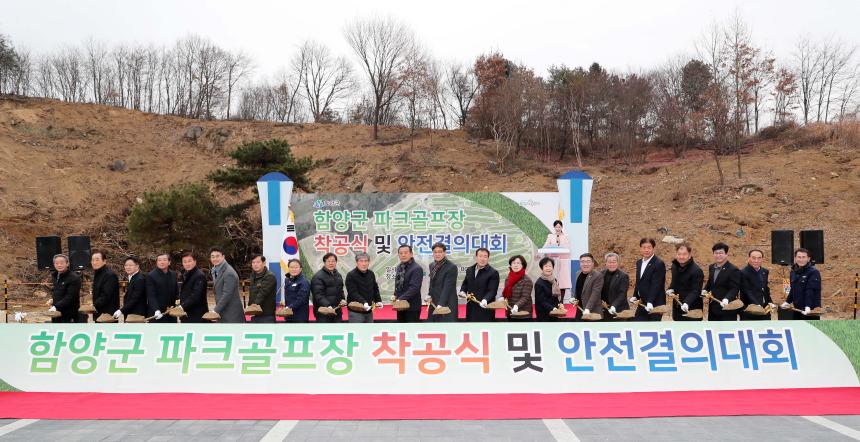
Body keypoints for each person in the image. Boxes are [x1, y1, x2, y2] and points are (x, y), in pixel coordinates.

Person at [704, 242, 741, 321]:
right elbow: (711, 282)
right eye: (716, 253)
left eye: (721, 253)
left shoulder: (733, 270)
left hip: (727, 308)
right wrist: (704, 290)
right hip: (713, 308)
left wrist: (727, 299)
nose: (718, 255)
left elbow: (734, 288)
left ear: (726, 254)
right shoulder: (712, 267)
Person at [631, 238, 666, 321]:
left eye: (649, 247)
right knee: (638, 325)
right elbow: (639, 281)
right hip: (642, 303)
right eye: (644, 247)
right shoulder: (639, 262)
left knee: (652, 328)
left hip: (655, 304)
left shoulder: (658, 263)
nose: (646, 250)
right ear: (640, 248)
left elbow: (656, 284)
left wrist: (650, 301)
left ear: (653, 248)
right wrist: (635, 295)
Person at [461, 248, 500, 322]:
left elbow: (492, 291)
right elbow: (465, 283)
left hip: (485, 308)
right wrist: (462, 291)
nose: (482, 259)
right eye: (480, 256)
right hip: (471, 307)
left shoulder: (493, 272)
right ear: (476, 257)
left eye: (485, 256)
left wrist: (485, 299)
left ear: (488, 258)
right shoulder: (470, 270)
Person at [668, 243, 704, 321]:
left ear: (689, 255)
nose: (681, 257)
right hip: (677, 307)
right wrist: (670, 288)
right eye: (679, 254)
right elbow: (674, 281)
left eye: (684, 254)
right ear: (676, 254)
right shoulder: (674, 266)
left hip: (692, 309)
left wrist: (687, 303)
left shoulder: (697, 271)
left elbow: (696, 291)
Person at [783, 248, 821, 320]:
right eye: (799, 257)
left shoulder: (813, 272)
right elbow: (793, 289)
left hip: (810, 310)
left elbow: (811, 290)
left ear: (808, 259)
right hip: (797, 309)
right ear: (795, 258)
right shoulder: (793, 272)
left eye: (804, 257)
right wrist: (787, 302)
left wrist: (808, 306)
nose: (801, 259)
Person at [209, 247, 245, 323]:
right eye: (213, 256)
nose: (215, 259)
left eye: (217, 256)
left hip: (231, 314)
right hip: (223, 312)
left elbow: (227, 294)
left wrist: (215, 311)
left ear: (223, 257)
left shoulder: (229, 273)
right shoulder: (215, 270)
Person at [345, 252, 382, 323]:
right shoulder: (351, 275)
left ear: (369, 262)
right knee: (357, 332)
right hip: (356, 310)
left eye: (366, 261)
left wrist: (378, 301)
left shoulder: (371, 274)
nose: (364, 264)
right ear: (357, 262)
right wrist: (364, 302)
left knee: (369, 332)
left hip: (368, 310)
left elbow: (375, 288)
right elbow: (353, 293)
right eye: (361, 261)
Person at [426, 243, 458, 322]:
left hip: (447, 303)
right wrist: (429, 295)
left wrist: (441, 304)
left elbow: (447, 288)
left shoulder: (451, 267)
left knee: (448, 329)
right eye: (435, 252)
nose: (437, 254)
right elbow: (432, 283)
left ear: (444, 253)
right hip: (434, 302)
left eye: (440, 252)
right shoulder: (432, 265)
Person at [740, 249, 773, 321]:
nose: (756, 261)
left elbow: (765, 289)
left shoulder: (764, 271)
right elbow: (746, 290)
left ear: (762, 259)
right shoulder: (743, 272)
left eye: (759, 258)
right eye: (753, 258)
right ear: (749, 258)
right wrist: (757, 304)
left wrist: (770, 302)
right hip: (750, 310)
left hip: (764, 310)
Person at [311, 253, 345, 323]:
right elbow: (318, 295)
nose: (331, 263)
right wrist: (328, 306)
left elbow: (341, 290)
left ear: (336, 262)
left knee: (338, 332)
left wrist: (343, 299)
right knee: (325, 332)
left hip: (337, 311)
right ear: (324, 263)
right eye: (328, 261)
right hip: (324, 312)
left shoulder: (338, 275)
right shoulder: (318, 276)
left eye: (333, 261)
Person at [47, 254, 81, 323]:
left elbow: (70, 297)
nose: (59, 265)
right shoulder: (55, 276)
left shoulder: (74, 278)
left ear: (67, 264)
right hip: (56, 312)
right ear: (54, 264)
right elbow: (59, 292)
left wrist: (55, 307)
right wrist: (53, 299)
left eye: (62, 263)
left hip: (69, 314)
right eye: (57, 263)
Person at [393, 245, 423, 323]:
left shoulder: (416, 268)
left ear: (411, 254)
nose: (403, 255)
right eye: (401, 253)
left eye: (406, 253)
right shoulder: (400, 267)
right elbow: (398, 284)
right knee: (401, 330)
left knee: (411, 331)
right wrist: (395, 295)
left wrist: (400, 299)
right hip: (400, 306)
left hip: (412, 307)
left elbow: (414, 288)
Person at [543, 220, 572, 299]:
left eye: (559, 227)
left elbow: (568, 248)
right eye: (556, 227)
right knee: (553, 280)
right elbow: (545, 246)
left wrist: (560, 244)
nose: (557, 228)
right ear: (554, 227)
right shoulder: (550, 236)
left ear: (562, 227)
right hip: (553, 260)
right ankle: (553, 299)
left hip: (563, 261)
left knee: (563, 281)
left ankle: (561, 301)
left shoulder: (566, 236)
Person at [146, 252, 178, 323]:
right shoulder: (151, 275)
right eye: (159, 260)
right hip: (157, 313)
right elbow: (151, 295)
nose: (162, 262)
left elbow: (176, 292)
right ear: (157, 262)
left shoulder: (173, 274)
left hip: (171, 311)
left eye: (164, 260)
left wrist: (178, 303)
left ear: (169, 262)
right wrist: (156, 310)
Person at [114, 256, 147, 320]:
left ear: (137, 266)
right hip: (131, 313)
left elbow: (135, 298)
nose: (128, 267)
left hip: (137, 314)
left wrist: (121, 310)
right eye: (126, 265)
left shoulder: (140, 279)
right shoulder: (132, 277)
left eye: (130, 265)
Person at [179, 252, 208, 323]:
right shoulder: (186, 274)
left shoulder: (199, 275)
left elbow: (196, 295)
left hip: (197, 314)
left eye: (189, 261)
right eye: (184, 262)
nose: (187, 264)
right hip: (187, 313)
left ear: (195, 261)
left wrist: (182, 307)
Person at [573, 253, 604, 319]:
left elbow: (595, 294)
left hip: (593, 312)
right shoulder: (578, 273)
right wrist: (574, 299)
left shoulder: (598, 276)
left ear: (593, 263)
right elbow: (578, 289)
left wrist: (587, 309)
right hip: (580, 309)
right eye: (583, 262)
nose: (585, 264)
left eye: (588, 261)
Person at [90, 249, 119, 319]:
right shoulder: (98, 274)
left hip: (108, 315)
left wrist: (93, 306)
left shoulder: (110, 275)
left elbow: (106, 295)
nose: (94, 262)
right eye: (92, 260)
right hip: (100, 313)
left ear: (104, 261)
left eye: (97, 260)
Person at [248, 254, 277, 323]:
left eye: (258, 262)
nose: (255, 264)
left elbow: (262, 293)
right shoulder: (253, 275)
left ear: (264, 263)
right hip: (255, 313)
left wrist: (252, 307)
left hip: (266, 316)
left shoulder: (269, 276)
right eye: (253, 262)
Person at [600, 252, 630, 320]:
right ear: (606, 263)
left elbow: (622, 293)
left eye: (614, 262)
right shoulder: (601, 274)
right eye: (609, 262)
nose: (612, 264)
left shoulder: (623, 276)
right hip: (605, 309)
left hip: (619, 310)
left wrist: (614, 306)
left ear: (617, 263)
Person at [503, 255, 533, 320]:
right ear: (510, 265)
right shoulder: (508, 278)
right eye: (513, 263)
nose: (515, 265)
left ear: (523, 265)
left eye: (518, 263)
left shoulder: (527, 280)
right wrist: (502, 298)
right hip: (510, 312)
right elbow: (506, 293)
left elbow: (525, 297)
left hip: (523, 314)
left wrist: (516, 306)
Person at [282, 259, 311, 323]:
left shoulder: (304, 282)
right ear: (288, 268)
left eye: (296, 267)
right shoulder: (288, 280)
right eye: (291, 267)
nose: (293, 269)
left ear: (300, 269)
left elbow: (301, 300)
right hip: (288, 315)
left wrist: (288, 308)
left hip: (299, 317)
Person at [535, 257, 562, 321]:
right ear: (542, 268)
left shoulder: (554, 280)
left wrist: (559, 305)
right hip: (543, 313)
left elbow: (555, 297)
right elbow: (541, 301)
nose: (548, 268)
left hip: (554, 312)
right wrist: (553, 309)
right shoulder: (539, 283)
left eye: (550, 266)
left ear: (553, 268)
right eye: (546, 266)